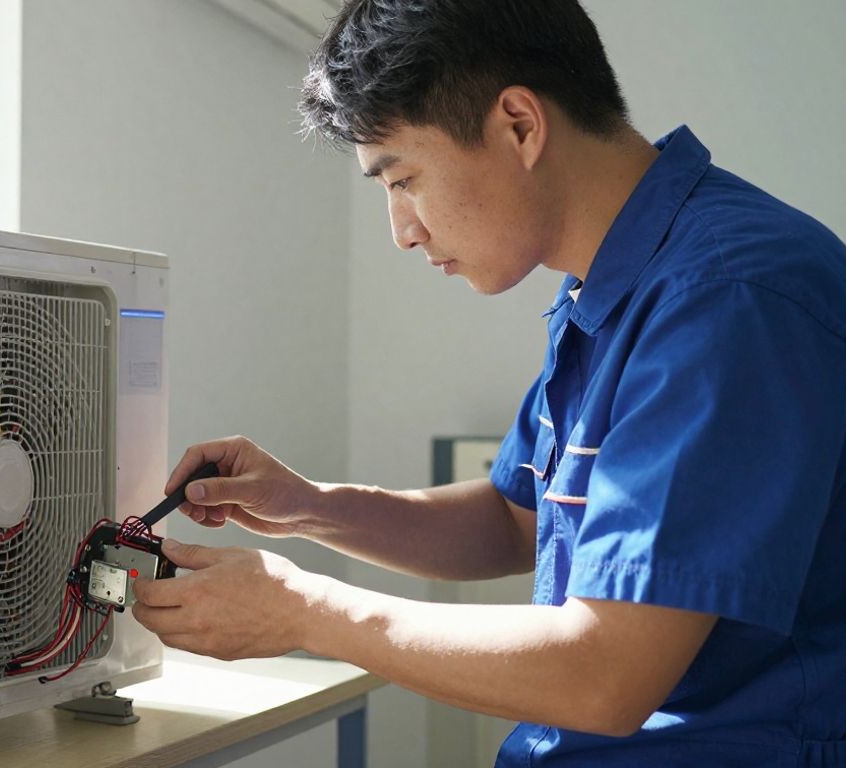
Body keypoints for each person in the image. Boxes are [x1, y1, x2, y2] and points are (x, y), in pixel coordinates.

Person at [129, 0, 846, 764]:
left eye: (403, 179)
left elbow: (606, 674)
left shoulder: (731, 296)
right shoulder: (611, 290)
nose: (402, 230)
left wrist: (303, 611)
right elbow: (515, 521)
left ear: (518, 126)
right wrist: (310, 506)